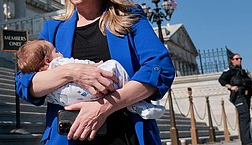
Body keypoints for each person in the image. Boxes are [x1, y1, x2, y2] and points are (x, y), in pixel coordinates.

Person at [15, 0, 175, 145]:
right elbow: (24, 83)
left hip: (125, 140)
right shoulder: (53, 30)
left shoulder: (128, 19)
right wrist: (72, 72)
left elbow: (160, 69)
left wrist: (103, 107)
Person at [16, 39, 166, 119]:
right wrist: (91, 66)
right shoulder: (55, 50)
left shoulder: (130, 16)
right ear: (47, 60)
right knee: (114, 66)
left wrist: (105, 106)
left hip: (71, 101)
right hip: (73, 135)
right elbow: (23, 82)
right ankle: (136, 103)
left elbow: (161, 65)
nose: (59, 52)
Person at [219, 53, 252, 145]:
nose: (239, 60)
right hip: (238, 96)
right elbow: (221, 80)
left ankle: (246, 140)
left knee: (245, 117)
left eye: (240, 58)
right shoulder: (229, 71)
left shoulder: (243, 72)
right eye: (237, 58)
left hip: (246, 96)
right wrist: (230, 87)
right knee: (244, 116)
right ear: (232, 60)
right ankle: (247, 141)